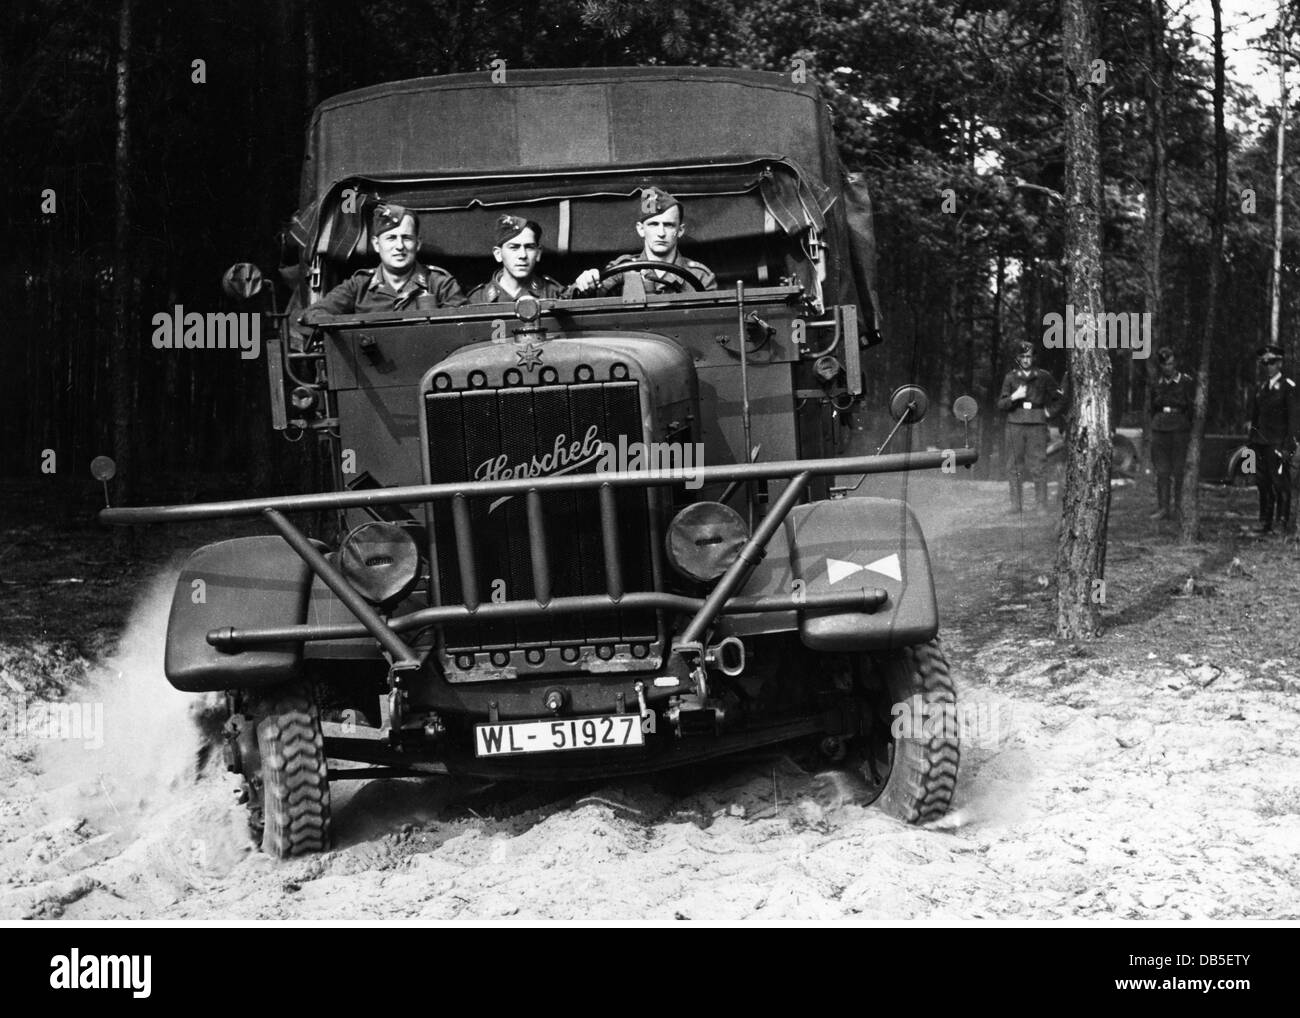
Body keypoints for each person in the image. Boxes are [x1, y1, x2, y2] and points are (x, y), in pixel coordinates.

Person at [299, 203, 466, 325]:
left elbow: (465, 324)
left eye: (406, 238)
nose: (399, 246)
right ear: (376, 244)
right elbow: (315, 313)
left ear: (418, 243)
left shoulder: (440, 284)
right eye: (391, 238)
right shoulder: (359, 286)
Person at [571, 187, 717, 297]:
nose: (661, 233)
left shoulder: (700, 276)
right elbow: (583, 299)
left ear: (680, 230)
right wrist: (584, 284)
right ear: (641, 229)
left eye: (669, 225)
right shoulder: (622, 270)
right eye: (653, 224)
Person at [997, 342, 1063, 514]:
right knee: (1014, 466)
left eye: (1029, 356)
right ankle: (1016, 505)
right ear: (1018, 358)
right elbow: (1001, 404)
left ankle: (1041, 505)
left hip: (1037, 424)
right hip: (1015, 423)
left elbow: (1059, 398)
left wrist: (1048, 413)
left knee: (1039, 464)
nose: (1026, 360)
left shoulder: (1044, 376)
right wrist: (1014, 396)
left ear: (1034, 357)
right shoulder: (1010, 378)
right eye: (1023, 357)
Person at [1246, 344, 1300, 535]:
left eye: (1271, 362)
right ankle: (1265, 521)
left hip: (1278, 443)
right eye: (1264, 363)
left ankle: (1281, 522)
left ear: (1280, 363)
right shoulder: (1261, 387)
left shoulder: (1288, 387)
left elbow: (1294, 420)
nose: (1267, 366)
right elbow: (1255, 418)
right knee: (1263, 483)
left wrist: (1289, 446)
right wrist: (1251, 443)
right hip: (1260, 443)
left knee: (1280, 483)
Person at [467, 215, 567, 303]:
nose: (523, 255)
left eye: (529, 247)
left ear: (538, 253)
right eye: (514, 247)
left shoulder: (554, 294)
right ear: (498, 254)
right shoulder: (478, 299)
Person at [1146, 346, 1195, 521]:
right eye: (1165, 365)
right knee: (1162, 471)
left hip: (1179, 429)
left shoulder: (1186, 382)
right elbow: (1152, 407)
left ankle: (1179, 508)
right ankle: (1163, 508)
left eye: (1172, 364)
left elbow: (1191, 408)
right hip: (1160, 428)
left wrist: (1187, 427)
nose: (1169, 368)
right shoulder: (1156, 383)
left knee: (1179, 470)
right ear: (1161, 366)